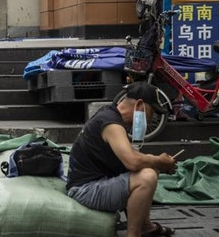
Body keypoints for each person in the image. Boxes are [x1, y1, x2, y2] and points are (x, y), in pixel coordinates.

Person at [66, 81, 177, 237]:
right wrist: (160, 161)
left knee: (150, 167)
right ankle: (133, 234)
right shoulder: (111, 124)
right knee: (147, 177)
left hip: (96, 183)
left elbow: (132, 160)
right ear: (140, 105)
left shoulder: (110, 114)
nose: (151, 119)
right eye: (151, 112)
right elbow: (132, 161)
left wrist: (156, 162)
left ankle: (145, 226)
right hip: (85, 190)